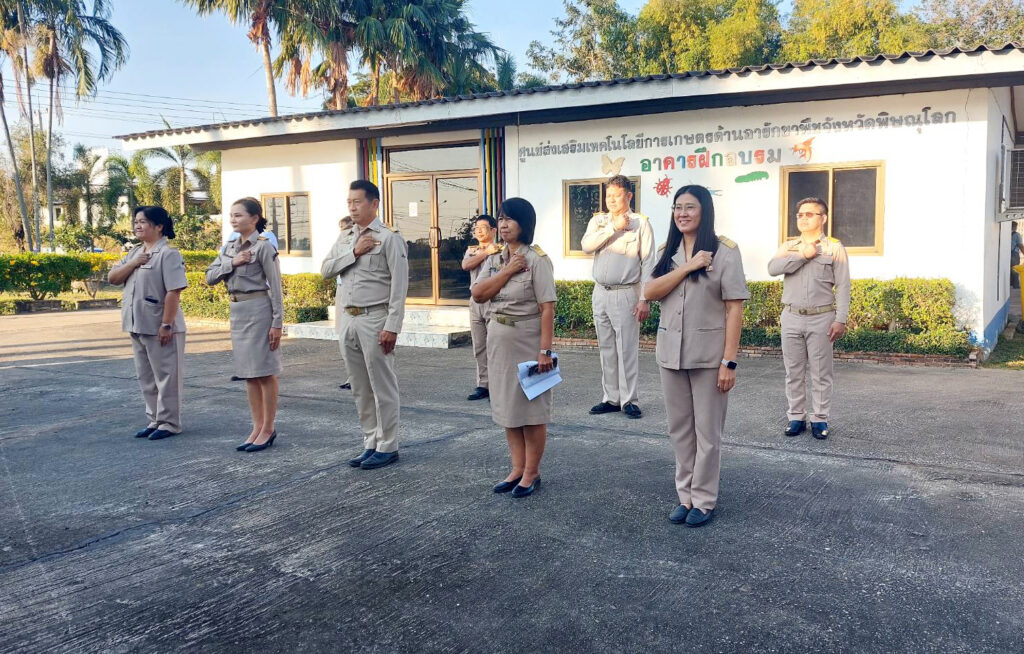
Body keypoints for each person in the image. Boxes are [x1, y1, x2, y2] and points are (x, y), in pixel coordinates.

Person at [644, 185, 748, 528]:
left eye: (689, 207)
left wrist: (728, 361)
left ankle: (703, 500)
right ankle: (684, 496)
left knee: (707, 433)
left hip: (708, 357)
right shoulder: (668, 252)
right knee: (679, 430)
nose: (682, 213)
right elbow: (650, 291)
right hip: (670, 355)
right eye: (677, 207)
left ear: (704, 211)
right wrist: (688, 266)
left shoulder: (725, 252)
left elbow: (734, 309)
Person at [471, 198, 557, 498]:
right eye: (501, 219)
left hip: (528, 341)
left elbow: (547, 308)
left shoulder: (537, 260)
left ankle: (532, 472)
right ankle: (517, 468)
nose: (504, 225)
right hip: (499, 340)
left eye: (510, 219)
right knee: (508, 408)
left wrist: (545, 351)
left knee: (531, 411)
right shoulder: (496, 259)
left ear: (525, 223)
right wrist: (507, 271)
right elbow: (478, 294)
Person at [321, 180, 409, 470]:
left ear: (374, 203)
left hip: (375, 318)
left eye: (357, 202)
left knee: (382, 385)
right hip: (348, 318)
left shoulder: (389, 238)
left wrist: (392, 326)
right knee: (359, 386)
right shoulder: (346, 237)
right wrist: (355, 252)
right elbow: (326, 269)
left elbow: (399, 286)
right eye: (349, 202)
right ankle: (370, 441)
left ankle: (388, 445)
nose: (352, 207)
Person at [205, 197, 285, 452]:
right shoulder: (229, 247)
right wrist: (233, 262)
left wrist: (277, 323)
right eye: (231, 215)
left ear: (254, 218)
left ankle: (268, 428)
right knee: (248, 373)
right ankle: (256, 426)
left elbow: (276, 287)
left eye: (238, 215)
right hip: (237, 311)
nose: (233, 219)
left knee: (264, 371)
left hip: (259, 310)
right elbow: (210, 276)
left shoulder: (263, 247)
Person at [768, 197, 851, 440]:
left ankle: (819, 418)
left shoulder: (834, 248)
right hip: (791, 316)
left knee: (821, 372)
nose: (803, 218)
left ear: (823, 218)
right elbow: (772, 268)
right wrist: (803, 256)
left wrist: (841, 318)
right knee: (793, 371)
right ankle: (796, 417)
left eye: (810, 214)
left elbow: (843, 285)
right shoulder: (789, 246)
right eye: (800, 214)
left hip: (821, 317)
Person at [108, 206, 188, 441]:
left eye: (143, 222)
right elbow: (113, 278)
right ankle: (154, 420)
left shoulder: (168, 254)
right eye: (136, 222)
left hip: (159, 325)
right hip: (137, 323)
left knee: (167, 377)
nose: (137, 226)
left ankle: (169, 423)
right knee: (146, 377)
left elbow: (174, 291)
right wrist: (133, 263)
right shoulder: (135, 252)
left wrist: (167, 324)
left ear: (159, 226)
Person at [580, 175, 656, 419]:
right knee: (606, 348)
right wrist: (613, 227)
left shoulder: (640, 223)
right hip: (600, 292)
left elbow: (648, 263)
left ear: (629, 196)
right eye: (608, 195)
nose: (611, 200)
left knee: (626, 349)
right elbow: (586, 245)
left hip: (625, 293)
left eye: (617, 195)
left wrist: (644, 299)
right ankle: (611, 398)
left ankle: (629, 400)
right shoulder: (599, 221)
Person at [461, 214, 500, 401]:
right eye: (476, 228)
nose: (478, 231)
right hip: (475, 303)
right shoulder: (472, 250)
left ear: (493, 230)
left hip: (494, 301)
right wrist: (485, 253)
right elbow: (466, 265)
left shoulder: (501, 250)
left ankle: (498, 385)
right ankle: (483, 384)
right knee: (479, 346)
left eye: (483, 228)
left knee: (495, 346)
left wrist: (492, 251)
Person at [334, 215, 355, 391]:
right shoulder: (339, 245)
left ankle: (357, 378)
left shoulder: (357, 246)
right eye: (341, 230)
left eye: (347, 230)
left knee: (356, 340)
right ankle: (351, 376)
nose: (344, 234)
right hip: (341, 289)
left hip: (353, 292)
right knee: (344, 338)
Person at [1011, 221, 1023, 289]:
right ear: (1015, 227)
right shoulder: (1017, 235)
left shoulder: (1005, 234)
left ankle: (1009, 284)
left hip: (1006, 254)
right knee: (1015, 269)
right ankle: (1015, 286)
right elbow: (1020, 246)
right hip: (1014, 254)